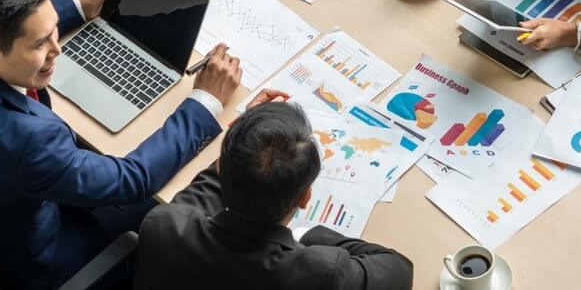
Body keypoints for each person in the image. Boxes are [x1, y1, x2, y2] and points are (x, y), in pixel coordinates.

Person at [0, 0, 242, 289]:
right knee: (173, 208)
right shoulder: (30, 142)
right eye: (39, 44)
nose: (57, 50)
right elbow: (135, 179)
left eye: (53, 30)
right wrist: (204, 102)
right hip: (30, 265)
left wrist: (78, 7)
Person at [133, 101, 413, 290]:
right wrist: (310, 236)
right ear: (305, 198)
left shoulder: (165, 226)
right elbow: (400, 269)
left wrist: (245, 141)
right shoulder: (322, 273)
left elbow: (201, 194)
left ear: (221, 167)